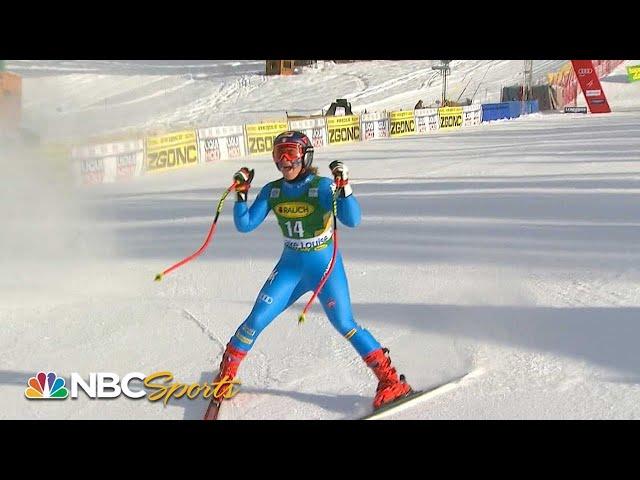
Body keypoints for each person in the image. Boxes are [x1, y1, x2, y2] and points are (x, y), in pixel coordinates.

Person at [212, 130, 412, 411]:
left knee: (345, 324)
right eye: (279, 154)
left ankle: (390, 381)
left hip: (324, 267)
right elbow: (245, 225)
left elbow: (352, 219)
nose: (285, 161)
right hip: (291, 267)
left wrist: (344, 189)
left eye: (291, 154)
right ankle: (226, 375)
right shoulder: (273, 190)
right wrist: (242, 196)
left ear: (305, 157)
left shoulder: (320, 187)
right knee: (255, 320)